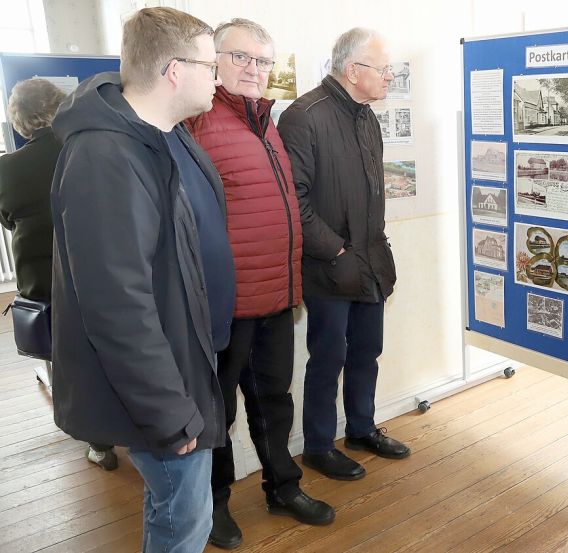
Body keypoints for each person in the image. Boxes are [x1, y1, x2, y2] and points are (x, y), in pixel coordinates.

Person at [49, 7, 235, 552]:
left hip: (180, 362)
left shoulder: (155, 138)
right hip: (162, 389)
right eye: (210, 65)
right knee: (184, 523)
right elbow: (116, 306)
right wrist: (171, 415)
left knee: (173, 511)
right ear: (174, 70)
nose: (217, 79)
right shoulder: (107, 154)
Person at [186, 17, 334, 549]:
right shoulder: (198, 121)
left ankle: (283, 487)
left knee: (274, 399)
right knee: (217, 411)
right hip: (226, 305)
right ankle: (214, 504)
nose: (254, 69)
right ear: (214, 61)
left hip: (276, 297)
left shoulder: (265, 121)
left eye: (263, 60)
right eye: (241, 57)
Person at [278, 27, 408, 482]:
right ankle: (316, 446)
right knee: (327, 357)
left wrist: (376, 246)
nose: (390, 75)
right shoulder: (304, 116)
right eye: (384, 68)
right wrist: (335, 249)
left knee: (367, 352)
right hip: (327, 266)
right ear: (354, 71)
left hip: (370, 261)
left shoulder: (366, 117)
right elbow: (293, 200)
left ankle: (360, 428)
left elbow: (371, 193)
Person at [0, 78, 120, 471]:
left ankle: (98, 442)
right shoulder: (89, 150)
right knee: (110, 353)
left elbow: (6, 218)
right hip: (98, 275)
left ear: (17, 120)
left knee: (65, 363)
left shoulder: (8, 169)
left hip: (44, 281)